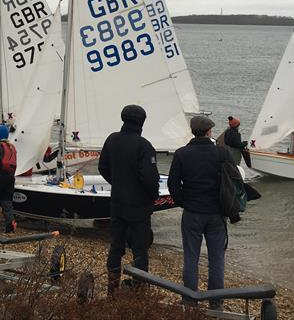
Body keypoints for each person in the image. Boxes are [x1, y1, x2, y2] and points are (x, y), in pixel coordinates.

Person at [168, 115, 234, 309]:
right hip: (216, 213)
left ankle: (189, 301)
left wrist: (183, 201)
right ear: (209, 132)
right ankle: (216, 302)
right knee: (216, 259)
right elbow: (234, 181)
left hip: (192, 212)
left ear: (193, 132)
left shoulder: (181, 154)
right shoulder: (222, 153)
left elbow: (173, 184)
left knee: (190, 257)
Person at [98, 104, 159, 296]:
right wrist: (153, 195)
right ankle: (139, 291)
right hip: (139, 206)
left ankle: (111, 289)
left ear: (123, 119)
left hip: (117, 202)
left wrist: (117, 182)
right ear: (142, 122)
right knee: (140, 250)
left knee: (116, 246)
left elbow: (103, 167)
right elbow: (149, 179)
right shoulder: (144, 146)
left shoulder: (112, 140)